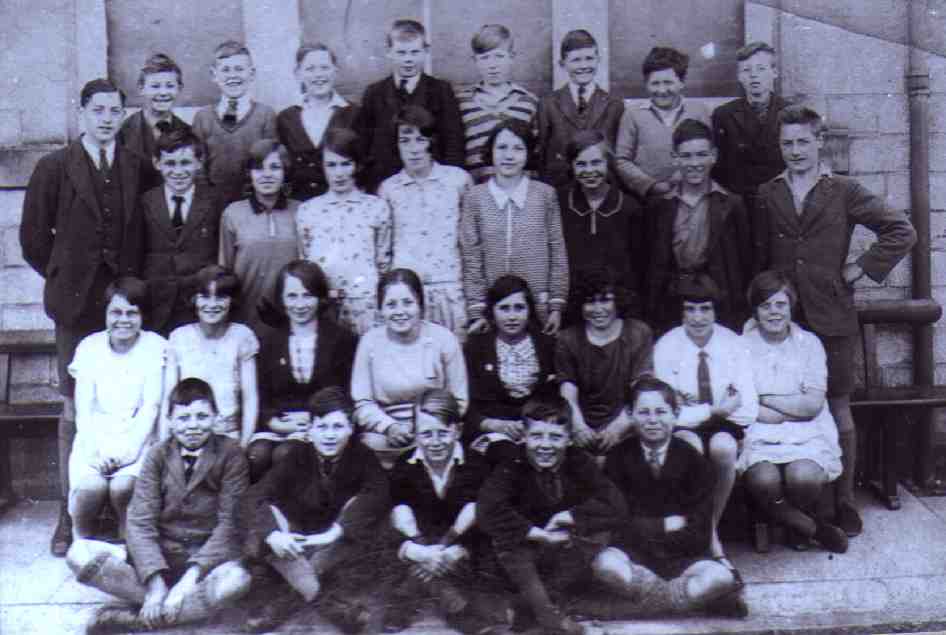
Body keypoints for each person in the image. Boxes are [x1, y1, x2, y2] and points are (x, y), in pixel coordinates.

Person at [754, 104, 916, 537]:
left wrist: (859, 268)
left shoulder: (842, 189)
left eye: (803, 142)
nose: (795, 151)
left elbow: (901, 230)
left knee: (838, 406)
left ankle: (842, 503)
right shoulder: (768, 194)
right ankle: (797, 504)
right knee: (782, 403)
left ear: (819, 142)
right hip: (782, 320)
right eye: (786, 143)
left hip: (831, 317)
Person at [20, 78, 147, 556]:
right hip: (76, 308)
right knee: (75, 408)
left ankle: (115, 512)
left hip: (124, 308)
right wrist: (65, 276)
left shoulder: (137, 166)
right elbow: (34, 239)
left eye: (115, 110)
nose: (107, 118)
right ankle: (67, 515)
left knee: (124, 403)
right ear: (82, 114)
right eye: (98, 110)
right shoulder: (54, 167)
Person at [66, 378, 251, 634]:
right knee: (78, 552)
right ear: (170, 421)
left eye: (202, 416)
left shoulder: (231, 453)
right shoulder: (158, 454)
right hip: (162, 557)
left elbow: (230, 523)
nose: (193, 426)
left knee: (238, 580)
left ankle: (135, 620)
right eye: (184, 418)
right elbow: (140, 520)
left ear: (216, 418)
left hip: (206, 562)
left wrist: (188, 581)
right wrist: (154, 582)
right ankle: (178, 609)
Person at [477, 393, 632, 635]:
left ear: (569, 439)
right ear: (524, 437)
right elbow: (487, 509)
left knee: (599, 531)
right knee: (504, 538)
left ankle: (536, 606)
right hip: (524, 559)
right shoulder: (512, 463)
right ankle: (549, 616)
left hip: (562, 558)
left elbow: (617, 505)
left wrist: (569, 516)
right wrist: (538, 534)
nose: (545, 446)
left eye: (555, 437)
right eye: (537, 436)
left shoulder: (579, 461)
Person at [242, 387, 389, 633]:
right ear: (309, 430)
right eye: (321, 427)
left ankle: (287, 599)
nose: (329, 436)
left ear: (351, 428)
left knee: (368, 519)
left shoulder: (362, 457)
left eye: (337, 427)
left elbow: (379, 494)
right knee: (263, 524)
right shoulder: (297, 455)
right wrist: (273, 534)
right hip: (301, 542)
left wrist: (336, 531)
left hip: (336, 545)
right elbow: (252, 497)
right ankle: (331, 606)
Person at [600, 376, 747, 619]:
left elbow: (699, 531)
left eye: (661, 411)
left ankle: (641, 606)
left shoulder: (695, 462)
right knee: (605, 563)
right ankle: (681, 602)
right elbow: (615, 523)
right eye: (644, 412)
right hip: (634, 556)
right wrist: (664, 524)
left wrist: (645, 526)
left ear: (675, 414)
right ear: (630, 414)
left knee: (720, 577)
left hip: (682, 559)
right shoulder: (618, 458)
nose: (653, 420)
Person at [653, 274, 757, 578]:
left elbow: (747, 407)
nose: (698, 318)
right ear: (681, 312)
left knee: (723, 448)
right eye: (690, 309)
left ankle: (705, 534)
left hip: (723, 425)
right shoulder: (667, 347)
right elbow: (667, 414)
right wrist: (713, 409)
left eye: (705, 309)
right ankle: (712, 545)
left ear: (716, 311)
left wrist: (696, 409)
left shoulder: (733, 344)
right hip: (688, 427)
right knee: (691, 448)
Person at [739, 271, 848, 553]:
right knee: (764, 480)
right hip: (759, 431)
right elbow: (745, 405)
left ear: (791, 307)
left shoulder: (809, 343)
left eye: (780, 304)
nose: (774, 313)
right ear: (755, 309)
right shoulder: (740, 347)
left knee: (804, 477)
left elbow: (812, 405)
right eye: (765, 306)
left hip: (807, 430)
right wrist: (789, 404)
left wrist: (766, 397)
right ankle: (805, 526)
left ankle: (791, 523)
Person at [383, 389, 503, 635]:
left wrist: (456, 549)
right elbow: (397, 513)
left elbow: (483, 518)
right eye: (426, 434)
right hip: (420, 546)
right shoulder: (405, 466)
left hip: (460, 550)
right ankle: (458, 610)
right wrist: (419, 550)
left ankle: (407, 595)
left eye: (443, 433)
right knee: (400, 522)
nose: (435, 442)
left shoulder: (476, 465)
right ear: (415, 434)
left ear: (457, 431)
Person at [67, 278, 166, 542]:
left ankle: (127, 535)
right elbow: (83, 410)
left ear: (143, 315)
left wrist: (131, 452)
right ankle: (82, 538)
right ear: (105, 314)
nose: (124, 320)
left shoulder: (155, 346)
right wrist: (94, 452)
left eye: (132, 312)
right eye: (116, 312)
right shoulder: (89, 347)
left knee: (124, 487)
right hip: (96, 436)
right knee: (91, 487)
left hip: (137, 436)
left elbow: (150, 406)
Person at [248, 260, 357, 482]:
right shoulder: (268, 341)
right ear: (281, 299)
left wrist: (314, 416)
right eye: (292, 296)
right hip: (279, 425)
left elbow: (346, 393)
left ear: (320, 297)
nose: (299, 304)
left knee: (286, 454)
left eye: (307, 295)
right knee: (257, 455)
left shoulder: (341, 340)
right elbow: (263, 396)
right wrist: (275, 423)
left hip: (324, 424)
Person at [460, 119, 569, 336]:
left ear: (528, 153)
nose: (509, 156)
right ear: (490, 151)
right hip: (493, 308)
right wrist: (477, 309)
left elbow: (557, 250)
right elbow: (471, 255)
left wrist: (556, 305)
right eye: (501, 147)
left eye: (518, 148)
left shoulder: (544, 195)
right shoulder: (476, 197)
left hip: (538, 305)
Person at [646, 118, 751, 334]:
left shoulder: (731, 204)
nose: (694, 163)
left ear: (714, 156)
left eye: (701, 154)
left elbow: (743, 263)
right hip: (672, 302)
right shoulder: (660, 206)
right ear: (675, 158)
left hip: (718, 302)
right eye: (686, 156)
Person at [351, 269, 468, 463]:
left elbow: (459, 400)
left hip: (435, 434)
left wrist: (427, 428)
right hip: (384, 436)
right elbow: (362, 403)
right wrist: (389, 427)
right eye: (391, 304)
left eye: (408, 303)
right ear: (380, 309)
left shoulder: (443, 339)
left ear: (420, 305)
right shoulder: (369, 342)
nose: (400, 312)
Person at [378, 105, 473, 336]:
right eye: (405, 140)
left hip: (452, 290)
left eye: (421, 139)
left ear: (431, 141)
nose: (414, 149)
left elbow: (472, 242)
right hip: (407, 298)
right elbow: (384, 249)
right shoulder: (388, 189)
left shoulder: (457, 181)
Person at [296, 127, 393, 335]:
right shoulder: (308, 210)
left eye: (345, 164)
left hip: (367, 307)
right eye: (331, 165)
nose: (338, 173)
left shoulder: (376, 207)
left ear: (356, 165)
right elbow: (306, 262)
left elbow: (384, 262)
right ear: (322, 167)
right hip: (324, 309)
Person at [356, 19, 465, 191]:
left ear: (425, 51)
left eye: (415, 52)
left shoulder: (441, 91)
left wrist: (450, 183)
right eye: (401, 53)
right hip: (384, 184)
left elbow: (453, 143)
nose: (408, 59)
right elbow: (363, 144)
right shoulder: (374, 93)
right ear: (389, 52)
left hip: (432, 186)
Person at [557, 267, 654, 455]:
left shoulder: (638, 332)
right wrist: (579, 427)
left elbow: (641, 391)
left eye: (605, 300)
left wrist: (617, 429)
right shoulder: (567, 339)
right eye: (590, 302)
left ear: (618, 300)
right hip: (580, 427)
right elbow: (568, 391)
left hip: (627, 424)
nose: (598, 309)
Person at [464, 275, 557, 464]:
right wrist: (494, 425)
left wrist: (536, 426)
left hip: (540, 430)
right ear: (492, 311)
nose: (512, 316)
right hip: (492, 431)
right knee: (506, 457)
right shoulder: (476, 348)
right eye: (504, 308)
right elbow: (466, 403)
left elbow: (557, 399)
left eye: (519, 308)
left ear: (529, 310)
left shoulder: (548, 346)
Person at [557, 130, 646, 325]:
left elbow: (639, 266)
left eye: (596, 162)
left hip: (617, 306)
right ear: (571, 166)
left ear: (608, 163)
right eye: (581, 164)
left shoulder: (629, 207)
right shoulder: (560, 203)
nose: (589, 170)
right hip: (573, 306)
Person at [140, 128, 223, 336]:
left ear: (198, 163)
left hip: (200, 309)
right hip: (156, 308)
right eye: (170, 163)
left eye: (185, 163)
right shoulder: (145, 202)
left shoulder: (215, 202)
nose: (178, 171)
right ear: (157, 163)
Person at [165, 265, 259, 447]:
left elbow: (250, 398)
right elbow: (169, 397)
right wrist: (167, 442)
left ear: (231, 301)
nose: (212, 304)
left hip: (227, 436)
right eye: (205, 297)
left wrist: (244, 443)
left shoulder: (242, 337)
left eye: (221, 297)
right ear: (194, 300)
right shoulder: (179, 337)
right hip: (186, 436)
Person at [219, 139, 301, 336]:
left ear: (285, 172)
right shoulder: (233, 214)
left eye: (275, 167)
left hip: (293, 316)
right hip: (246, 318)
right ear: (249, 174)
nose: (266, 175)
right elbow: (225, 271)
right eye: (258, 168)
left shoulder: (301, 211)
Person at [616, 47, 712, 200]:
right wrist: (651, 185)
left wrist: (683, 174)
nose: (662, 90)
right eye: (655, 83)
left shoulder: (699, 112)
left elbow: (708, 153)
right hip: (647, 200)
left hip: (691, 196)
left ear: (681, 82)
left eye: (668, 82)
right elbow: (622, 160)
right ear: (646, 84)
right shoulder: (633, 115)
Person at [192, 40, 277, 205]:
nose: (233, 76)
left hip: (254, 204)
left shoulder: (265, 115)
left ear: (251, 73)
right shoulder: (203, 118)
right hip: (213, 205)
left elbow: (270, 164)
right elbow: (198, 168)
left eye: (239, 69)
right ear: (213, 75)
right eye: (225, 70)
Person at [537, 29, 624, 188]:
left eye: (589, 58)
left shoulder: (614, 104)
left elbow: (618, 156)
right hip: (560, 190)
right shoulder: (548, 104)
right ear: (562, 64)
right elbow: (542, 155)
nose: (584, 66)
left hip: (602, 190)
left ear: (598, 60)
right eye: (576, 60)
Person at [456, 24, 540, 183]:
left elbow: (535, 155)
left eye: (499, 56)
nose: (492, 65)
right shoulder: (462, 102)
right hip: (475, 190)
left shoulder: (529, 102)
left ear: (511, 57)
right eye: (485, 58)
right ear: (475, 60)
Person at [277, 42, 360, 201]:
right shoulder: (286, 119)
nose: (318, 75)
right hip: (299, 207)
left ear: (335, 70)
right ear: (298, 73)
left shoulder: (355, 113)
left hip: (345, 205)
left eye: (324, 67)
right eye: (310, 69)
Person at [711, 42, 787, 206]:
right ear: (739, 76)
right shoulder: (724, 115)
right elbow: (717, 168)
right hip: (739, 205)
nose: (753, 76)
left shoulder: (791, 113)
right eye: (746, 70)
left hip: (780, 204)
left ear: (774, 72)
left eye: (761, 69)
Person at [119, 53, 191, 192]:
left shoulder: (188, 132)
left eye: (169, 86)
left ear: (179, 88)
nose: (163, 92)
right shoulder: (123, 132)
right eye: (155, 86)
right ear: (141, 89)